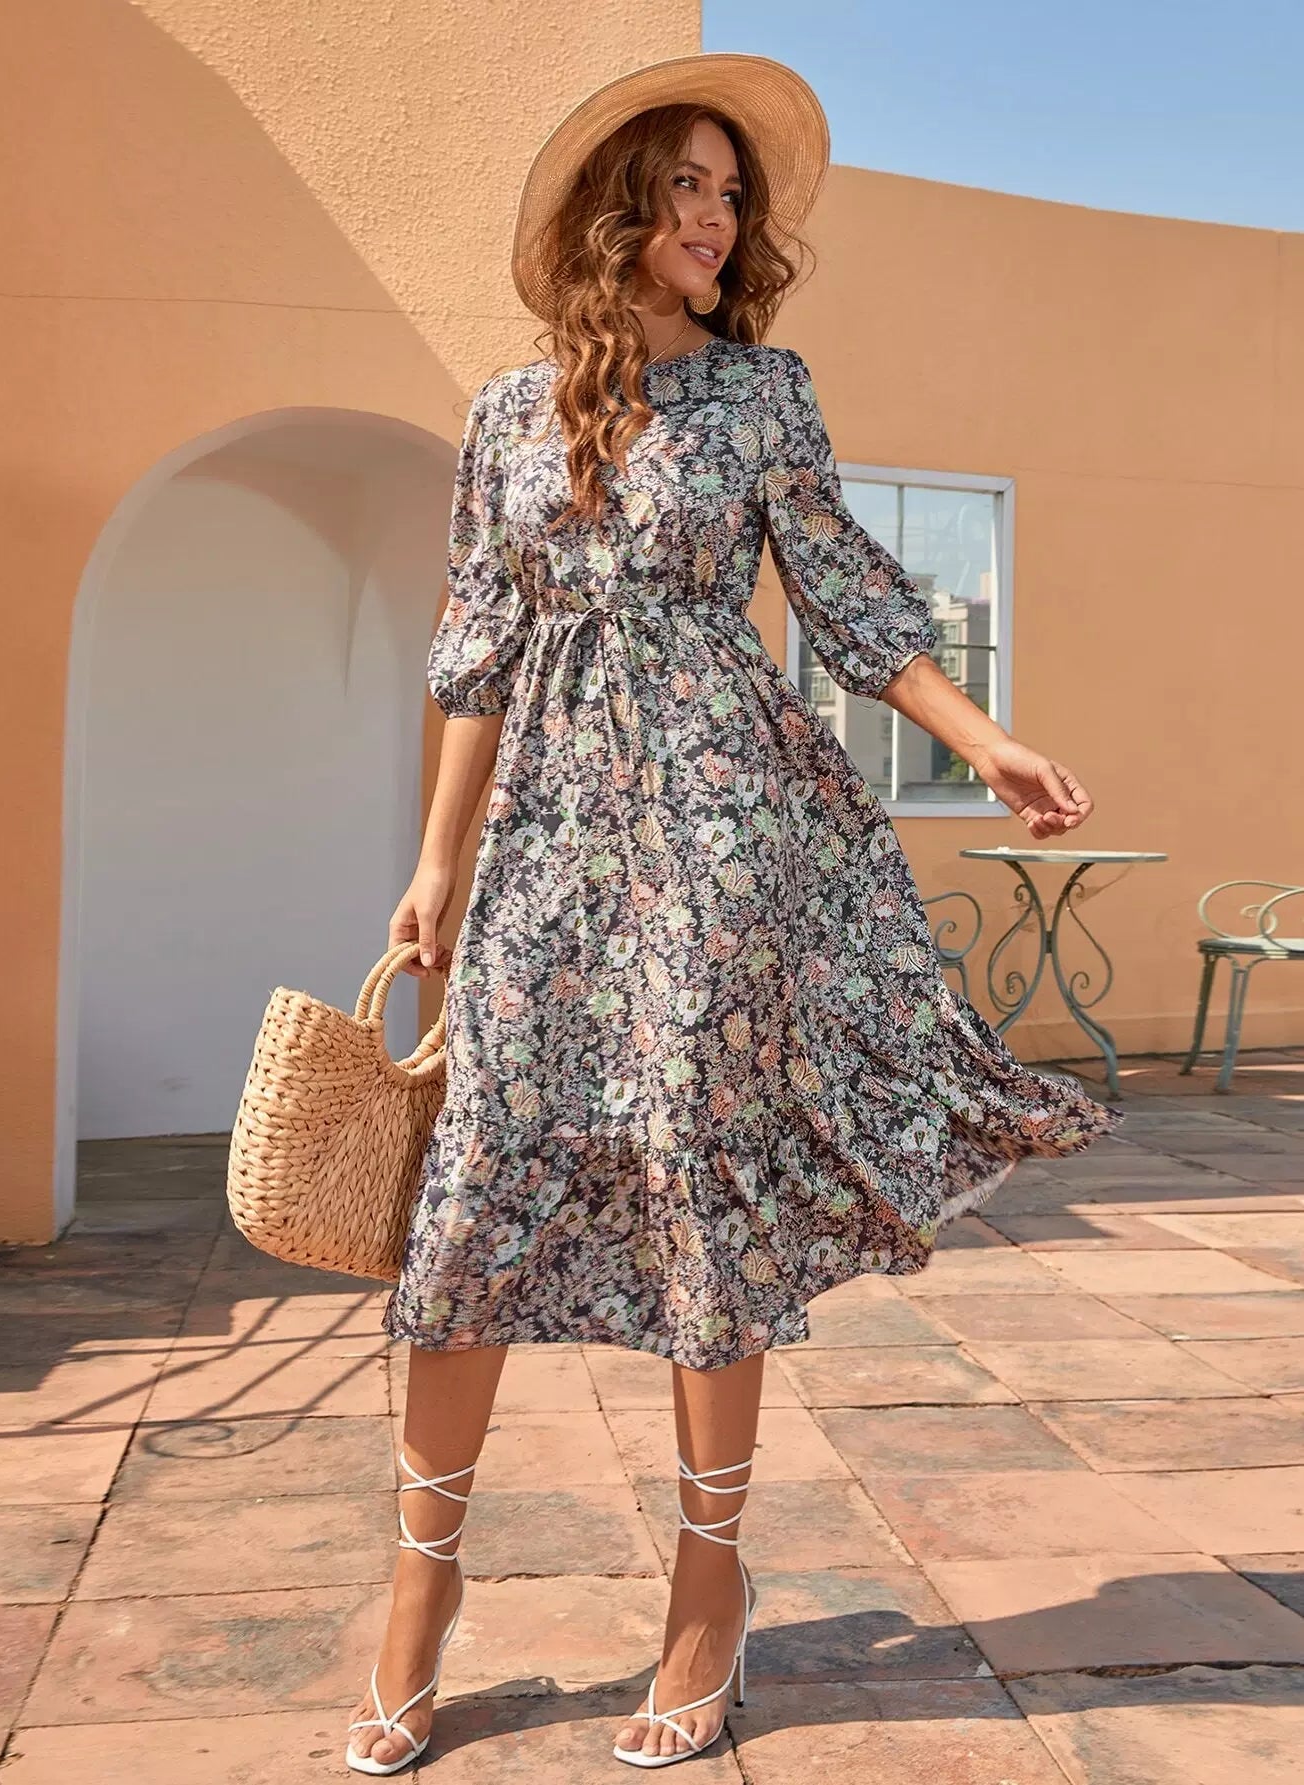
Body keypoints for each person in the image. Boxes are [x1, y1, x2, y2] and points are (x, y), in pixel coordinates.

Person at [345, 51, 1119, 1775]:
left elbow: (849, 593)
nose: (716, 215)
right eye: (686, 186)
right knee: (480, 1185)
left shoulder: (763, 396)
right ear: (618, 210)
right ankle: (420, 1578)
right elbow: (474, 652)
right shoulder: (505, 416)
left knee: (700, 1173)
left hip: (722, 827)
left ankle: (708, 1582)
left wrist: (983, 739)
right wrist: (437, 860)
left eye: (729, 191)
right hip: (547, 835)